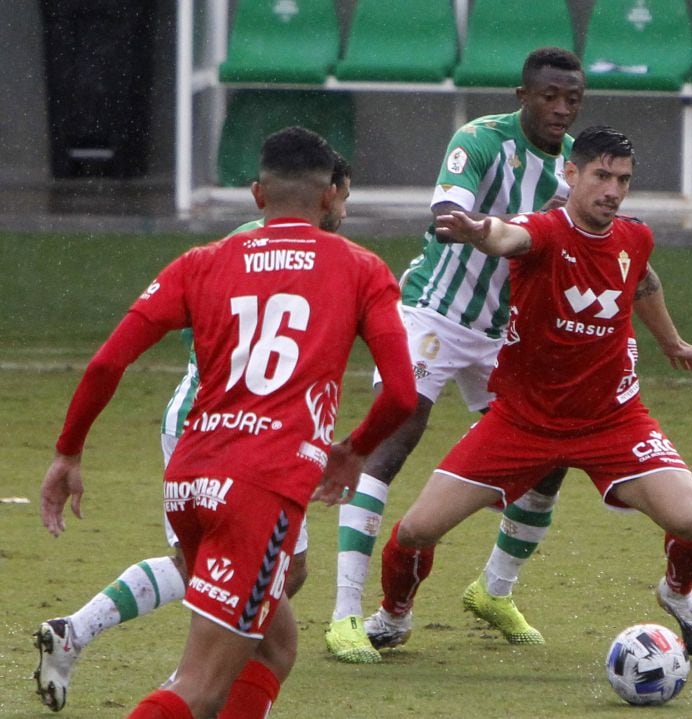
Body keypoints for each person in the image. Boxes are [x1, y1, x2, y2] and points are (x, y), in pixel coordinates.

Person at [37, 126, 416, 719]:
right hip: (261, 489)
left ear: (257, 195)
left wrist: (68, 453)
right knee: (199, 686)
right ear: (328, 197)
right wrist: (355, 449)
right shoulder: (361, 268)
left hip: (190, 479)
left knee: (275, 647)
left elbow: (108, 360)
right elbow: (401, 392)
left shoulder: (200, 263)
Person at [364, 125, 692, 664]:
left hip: (614, 422)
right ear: (571, 173)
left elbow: (643, 282)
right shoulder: (544, 231)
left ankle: (676, 591)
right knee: (415, 531)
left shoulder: (633, 236)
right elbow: (506, 237)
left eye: (622, 179)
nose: (612, 190)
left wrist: (670, 340)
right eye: (601, 176)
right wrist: (476, 229)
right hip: (522, 423)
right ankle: (394, 614)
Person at [325, 46, 586, 663]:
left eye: (571, 99)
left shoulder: (574, 169)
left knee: (548, 458)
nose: (560, 109)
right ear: (523, 96)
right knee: (394, 439)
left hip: (504, 334)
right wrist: (494, 225)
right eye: (549, 96)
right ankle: (344, 615)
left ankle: (494, 589)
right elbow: (447, 215)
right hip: (433, 314)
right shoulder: (481, 139)